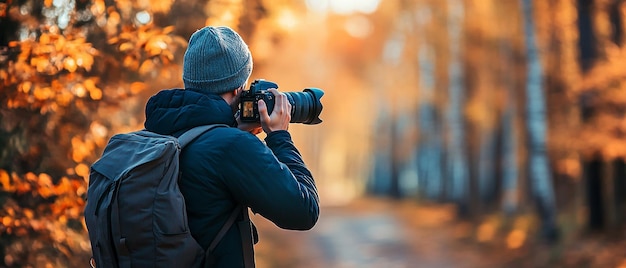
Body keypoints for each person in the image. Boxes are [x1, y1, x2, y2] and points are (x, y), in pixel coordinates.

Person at [142, 26, 320, 267]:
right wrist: (279, 136)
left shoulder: (157, 131)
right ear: (239, 88)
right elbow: (304, 211)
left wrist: (233, 133)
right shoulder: (230, 147)